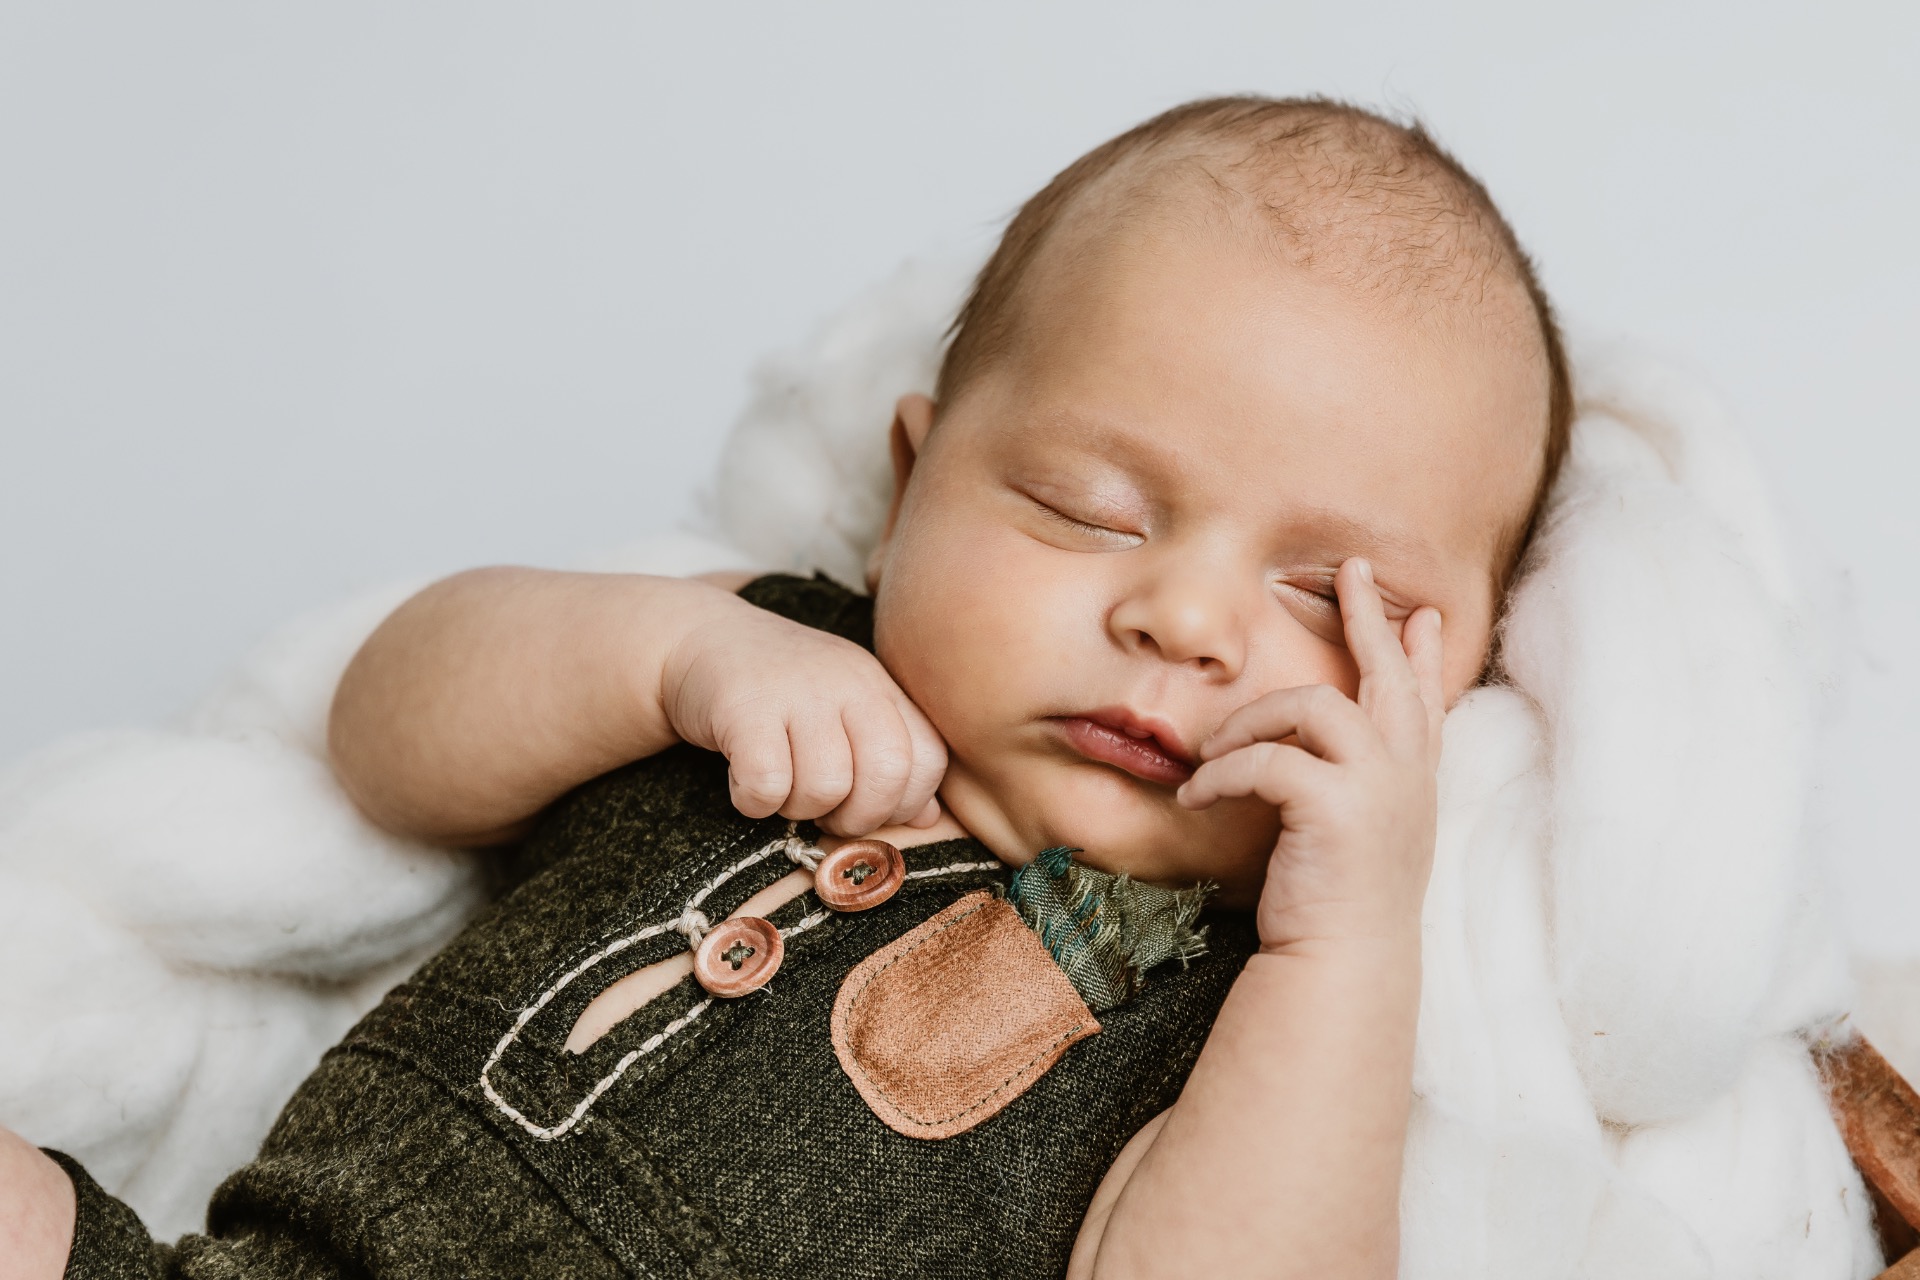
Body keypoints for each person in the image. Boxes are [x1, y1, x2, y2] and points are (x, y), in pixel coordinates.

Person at [0, 94, 1569, 1279]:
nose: (1185, 620)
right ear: (908, 492)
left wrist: (1345, 947)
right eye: (1089, 510)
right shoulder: (759, 656)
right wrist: (671, 658)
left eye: (1331, 600)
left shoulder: (1235, 1022)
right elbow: (382, 741)